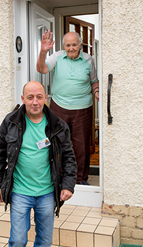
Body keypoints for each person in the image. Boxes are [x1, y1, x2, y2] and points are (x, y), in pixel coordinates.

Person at [0, 81, 76, 247]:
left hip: (47, 192)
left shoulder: (58, 126)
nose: (35, 102)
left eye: (39, 97)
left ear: (46, 98)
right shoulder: (10, 122)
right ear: (23, 99)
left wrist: (68, 185)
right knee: (17, 242)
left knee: (44, 243)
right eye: (30, 97)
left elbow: (68, 157)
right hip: (19, 192)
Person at [36, 31, 99, 185]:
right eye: (68, 45)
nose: (71, 48)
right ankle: (60, 178)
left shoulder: (88, 59)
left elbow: (94, 81)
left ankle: (81, 180)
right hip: (59, 107)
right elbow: (41, 69)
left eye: (74, 44)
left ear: (80, 45)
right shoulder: (56, 57)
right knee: (58, 142)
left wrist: (97, 93)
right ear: (64, 46)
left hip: (83, 108)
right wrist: (44, 51)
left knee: (81, 146)